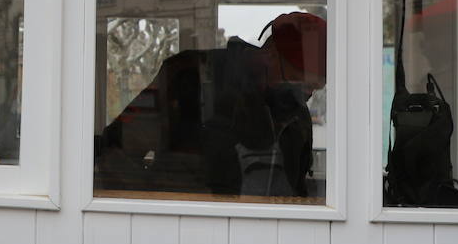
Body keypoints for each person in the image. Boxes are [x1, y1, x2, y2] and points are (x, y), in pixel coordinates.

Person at [95, 12, 326, 199]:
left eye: (316, 87)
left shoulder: (296, 114)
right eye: (302, 81)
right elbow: (117, 152)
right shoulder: (189, 77)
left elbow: (297, 194)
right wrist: (155, 208)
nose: (307, 95)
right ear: (271, 55)